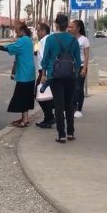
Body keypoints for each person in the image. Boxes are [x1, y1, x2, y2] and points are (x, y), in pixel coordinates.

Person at [41, 14, 82, 143]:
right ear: (66, 25)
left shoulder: (51, 39)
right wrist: (75, 75)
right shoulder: (74, 40)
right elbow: (78, 60)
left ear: (56, 24)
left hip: (54, 75)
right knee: (69, 104)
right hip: (70, 75)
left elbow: (46, 59)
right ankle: (71, 132)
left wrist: (43, 74)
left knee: (59, 105)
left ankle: (61, 135)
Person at [0, 22, 35, 127]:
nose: (15, 31)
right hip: (27, 72)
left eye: (16, 29)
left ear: (22, 30)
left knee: (22, 97)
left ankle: (25, 120)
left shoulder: (23, 40)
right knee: (25, 96)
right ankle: (24, 118)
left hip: (25, 73)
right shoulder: (27, 40)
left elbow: (10, 47)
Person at [34, 23, 55, 128]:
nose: (37, 33)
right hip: (48, 70)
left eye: (38, 31)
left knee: (39, 93)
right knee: (46, 94)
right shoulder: (50, 39)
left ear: (43, 31)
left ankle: (49, 117)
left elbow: (44, 58)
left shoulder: (43, 41)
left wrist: (43, 74)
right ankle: (49, 116)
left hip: (43, 71)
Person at [68, 19, 90, 118]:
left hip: (81, 66)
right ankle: (71, 107)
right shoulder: (69, 38)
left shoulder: (84, 40)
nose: (70, 28)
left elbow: (86, 55)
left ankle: (78, 109)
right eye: (69, 26)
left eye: (72, 27)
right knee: (71, 88)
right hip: (70, 66)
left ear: (78, 28)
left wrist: (84, 68)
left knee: (78, 88)